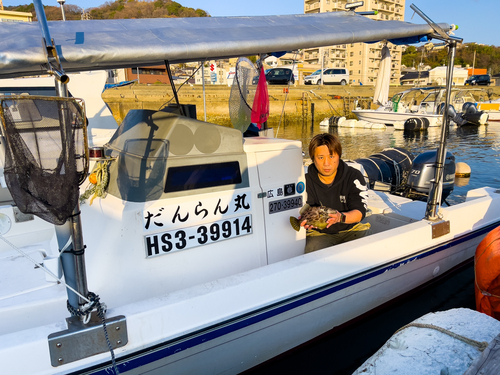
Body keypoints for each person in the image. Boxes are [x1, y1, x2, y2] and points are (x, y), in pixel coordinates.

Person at [301, 133, 370, 253]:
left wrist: (340, 217)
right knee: (312, 253)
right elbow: (306, 209)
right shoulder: (305, 181)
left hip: (352, 229)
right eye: (320, 157)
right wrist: (306, 222)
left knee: (372, 250)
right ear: (313, 159)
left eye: (331, 156)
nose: (326, 163)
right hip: (320, 233)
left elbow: (360, 212)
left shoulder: (353, 176)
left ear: (339, 156)